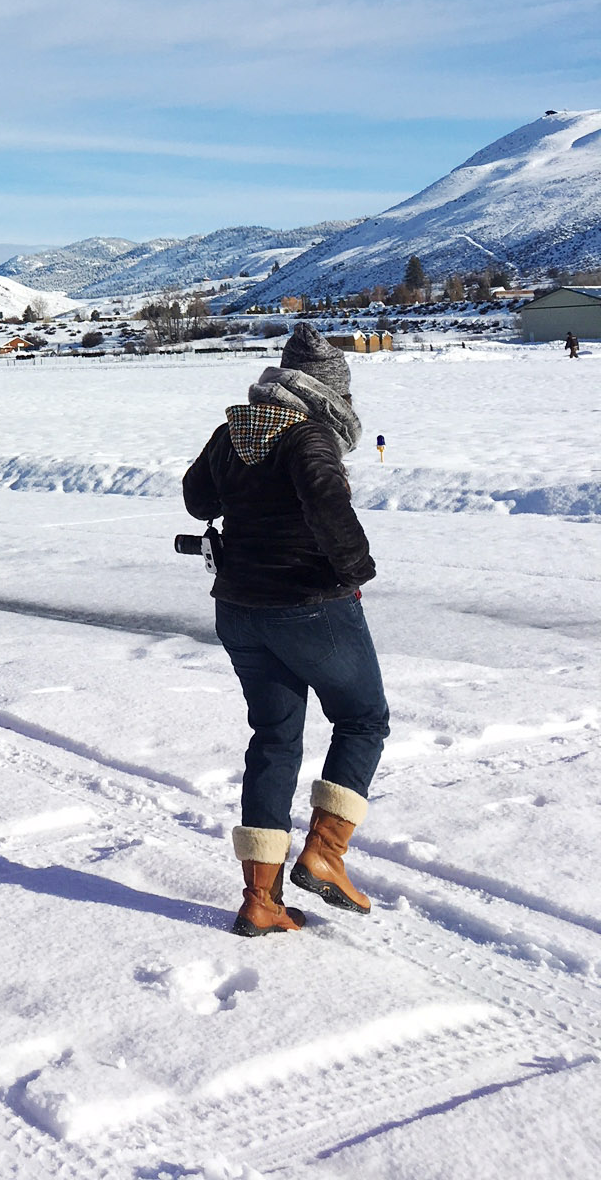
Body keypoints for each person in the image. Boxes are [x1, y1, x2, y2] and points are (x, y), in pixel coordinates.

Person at [183, 322, 388, 938]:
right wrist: (356, 571)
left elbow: (196, 500)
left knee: (273, 739)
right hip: (307, 602)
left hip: (239, 609)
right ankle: (325, 853)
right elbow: (328, 504)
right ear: (329, 392)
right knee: (362, 720)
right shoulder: (309, 436)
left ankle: (260, 900)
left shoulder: (233, 431)